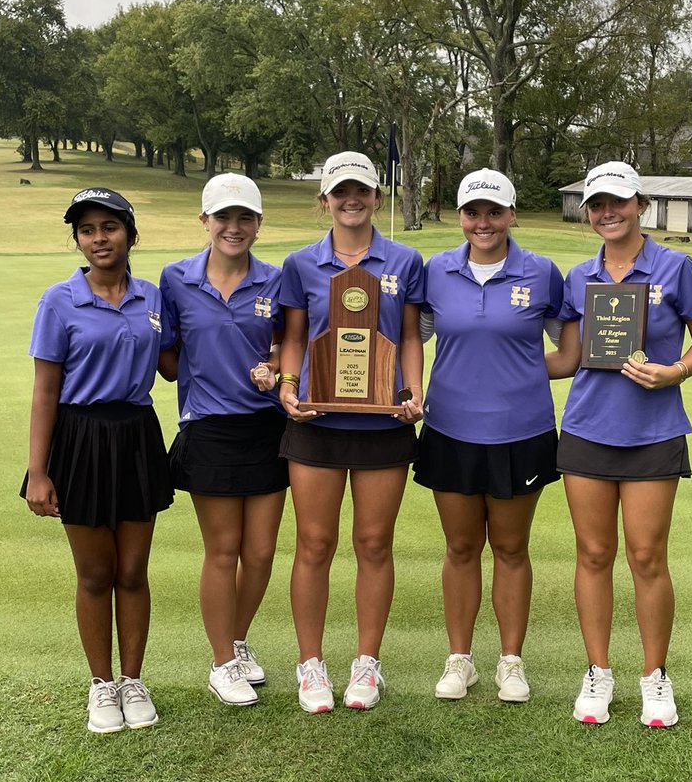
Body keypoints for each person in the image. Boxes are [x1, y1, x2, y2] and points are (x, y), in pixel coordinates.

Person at [547, 161, 692, 727]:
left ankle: (655, 676)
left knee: (647, 557)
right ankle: (598, 672)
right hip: (587, 430)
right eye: (596, 204)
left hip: (653, 432)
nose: (606, 213)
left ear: (639, 204)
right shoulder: (578, 278)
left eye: (617, 202)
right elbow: (569, 358)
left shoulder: (675, 265)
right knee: (594, 554)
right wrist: (496, 359)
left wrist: (678, 372)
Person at [22, 187, 173, 733]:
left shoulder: (153, 298)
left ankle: (133, 680)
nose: (98, 238)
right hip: (79, 440)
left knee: (132, 571)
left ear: (131, 234)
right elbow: (44, 393)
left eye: (109, 227)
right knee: (95, 573)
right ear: (78, 240)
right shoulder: (58, 301)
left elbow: (176, 364)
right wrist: (38, 472)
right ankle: (102, 686)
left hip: (135, 435)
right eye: (87, 230)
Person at [278, 151, 424, 713]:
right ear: (325, 201)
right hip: (315, 420)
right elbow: (294, 336)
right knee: (314, 543)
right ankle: (310, 665)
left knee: (372, 543)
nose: (351, 199)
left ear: (377, 197)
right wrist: (289, 385)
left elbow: (410, 335)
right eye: (340, 192)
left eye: (361, 190)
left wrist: (413, 390)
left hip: (382, 421)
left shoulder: (405, 261)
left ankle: (367, 662)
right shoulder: (299, 264)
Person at [414, 168, 564, 702]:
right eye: (473, 212)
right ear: (460, 217)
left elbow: (567, 351)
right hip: (450, 427)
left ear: (512, 215)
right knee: (459, 547)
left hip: (521, 430)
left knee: (510, 547)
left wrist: (516, 371)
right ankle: (460, 661)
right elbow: (417, 336)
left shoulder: (542, 273)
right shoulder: (435, 272)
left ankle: (510, 662)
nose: (484, 222)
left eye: (494, 212)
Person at [159, 174, 287, 708]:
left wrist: (275, 368)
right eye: (224, 217)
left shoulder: (276, 281)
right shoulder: (176, 279)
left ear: (258, 223)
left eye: (245, 218)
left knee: (259, 553)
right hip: (208, 427)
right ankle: (220, 663)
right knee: (223, 549)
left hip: (268, 429)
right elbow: (167, 358)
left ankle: (235, 642)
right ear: (205, 221)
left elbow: (288, 347)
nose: (234, 228)